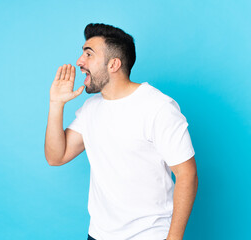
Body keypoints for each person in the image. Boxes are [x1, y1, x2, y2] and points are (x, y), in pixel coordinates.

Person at [44, 23, 198, 240]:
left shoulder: (158, 108)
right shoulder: (91, 108)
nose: (80, 61)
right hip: (98, 235)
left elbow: (187, 174)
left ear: (114, 64)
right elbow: (56, 157)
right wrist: (56, 103)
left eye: (89, 54)